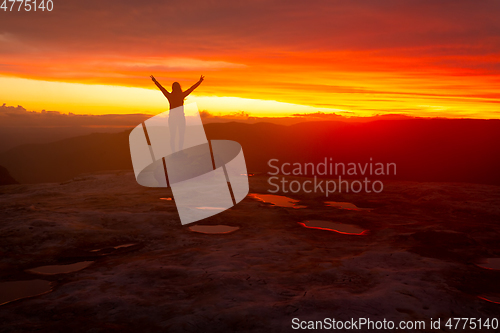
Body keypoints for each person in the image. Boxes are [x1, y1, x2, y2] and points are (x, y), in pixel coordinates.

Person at [150, 75, 205, 152]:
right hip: (180, 118)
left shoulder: (170, 96)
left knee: (173, 136)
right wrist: (200, 81)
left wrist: (155, 81)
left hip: (173, 119)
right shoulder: (181, 95)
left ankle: (175, 152)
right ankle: (179, 152)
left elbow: (162, 89)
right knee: (180, 136)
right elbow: (191, 89)